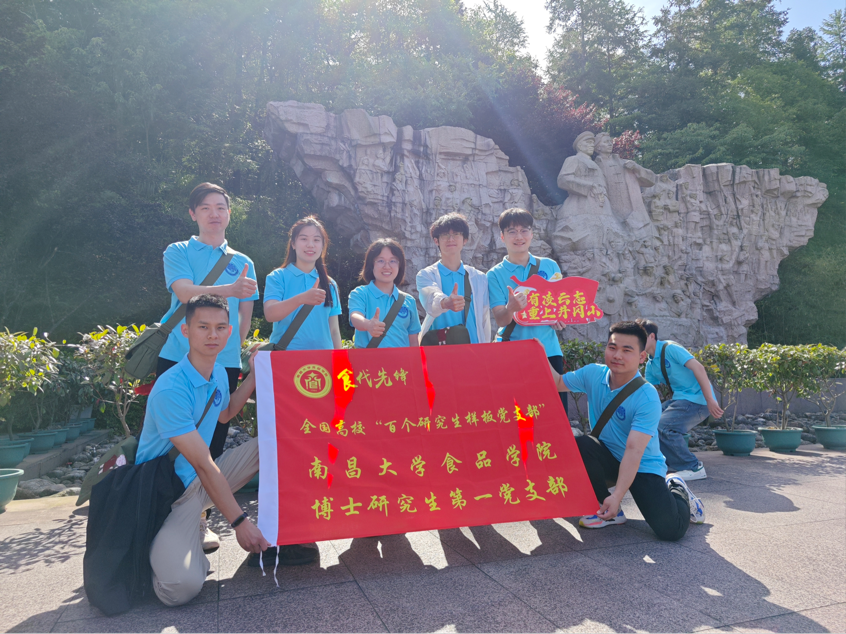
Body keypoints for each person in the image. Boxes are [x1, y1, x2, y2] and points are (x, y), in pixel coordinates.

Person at [137, 294, 271, 607]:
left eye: (220, 327)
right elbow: (203, 464)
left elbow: (226, 413)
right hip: (170, 495)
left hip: (199, 483)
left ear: (229, 332)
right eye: (203, 327)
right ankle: (162, 546)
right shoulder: (171, 388)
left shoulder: (218, 374)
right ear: (186, 330)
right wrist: (240, 522)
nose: (213, 335)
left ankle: (283, 534)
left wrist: (255, 373)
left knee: (277, 445)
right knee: (178, 590)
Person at [156, 182, 259, 552]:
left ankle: (200, 520)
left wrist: (232, 349)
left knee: (212, 438)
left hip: (223, 362)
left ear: (229, 213)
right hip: (177, 355)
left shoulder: (244, 261)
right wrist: (229, 290)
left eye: (220, 207)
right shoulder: (178, 250)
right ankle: (157, 509)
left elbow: (244, 317)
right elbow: (185, 293)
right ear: (193, 213)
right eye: (205, 207)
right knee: (173, 438)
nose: (214, 214)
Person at [548, 321, 705, 541]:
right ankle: (607, 509)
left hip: (643, 466)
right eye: (612, 347)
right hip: (610, 457)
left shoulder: (646, 396)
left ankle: (677, 486)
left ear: (641, 357)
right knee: (581, 444)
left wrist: (618, 495)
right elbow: (557, 382)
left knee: (671, 530)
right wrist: (536, 348)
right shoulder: (593, 374)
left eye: (627, 350)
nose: (617, 355)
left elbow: (634, 450)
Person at [486, 208, 568, 414]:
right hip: (511, 353)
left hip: (549, 351)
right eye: (512, 231)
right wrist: (511, 308)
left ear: (532, 234)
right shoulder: (494, 274)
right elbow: (501, 319)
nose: (519, 237)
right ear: (502, 236)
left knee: (555, 416)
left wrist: (559, 319)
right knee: (516, 417)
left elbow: (560, 307)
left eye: (524, 230)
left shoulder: (550, 266)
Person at [637, 319, 724, 481]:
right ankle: (663, 464)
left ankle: (692, 467)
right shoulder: (651, 365)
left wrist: (710, 400)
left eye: (639, 337)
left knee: (663, 426)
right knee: (648, 421)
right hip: (680, 400)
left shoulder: (670, 348)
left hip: (698, 400)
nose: (636, 341)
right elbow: (646, 390)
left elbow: (698, 368)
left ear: (652, 336)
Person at [264, 216, 343, 351]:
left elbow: (334, 330)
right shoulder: (277, 277)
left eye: (316, 240)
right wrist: (301, 299)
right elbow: (270, 314)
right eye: (304, 239)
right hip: (286, 357)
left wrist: (340, 361)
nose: (310, 245)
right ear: (293, 244)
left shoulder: (329, 284)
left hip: (323, 359)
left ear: (323, 246)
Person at [416, 213, 491, 344]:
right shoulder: (426, 275)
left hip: (473, 348)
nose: (451, 239)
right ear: (436, 241)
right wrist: (445, 302)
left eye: (456, 234)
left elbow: (484, 319)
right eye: (445, 235)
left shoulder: (479, 278)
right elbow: (431, 300)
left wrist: (485, 348)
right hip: (439, 348)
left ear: (465, 239)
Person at [349, 238, 421, 348]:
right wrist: (368, 325)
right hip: (368, 359)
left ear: (400, 265)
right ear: (371, 265)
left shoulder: (409, 301)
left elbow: (413, 341)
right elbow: (355, 317)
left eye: (393, 261)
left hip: (401, 359)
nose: (387, 266)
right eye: (380, 261)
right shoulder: (360, 293)